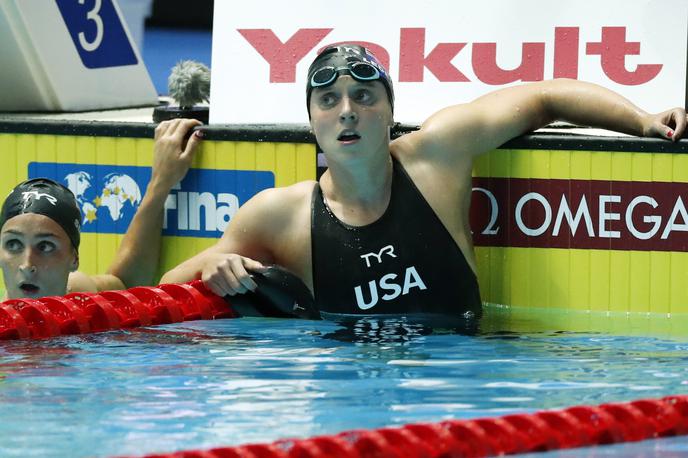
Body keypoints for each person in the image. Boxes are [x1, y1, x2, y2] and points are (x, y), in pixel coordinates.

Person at [160, 44, 687, 320]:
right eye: (329, 101)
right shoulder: (281, 215)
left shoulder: (436, 156)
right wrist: (209, 262)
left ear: (391, 112)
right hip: (344, 397)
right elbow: (163, 294)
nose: (348, 113)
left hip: (463, 383)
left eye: (364, 98)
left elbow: (546, 96)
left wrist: (643, 122)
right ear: (313, 122)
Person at [0, 119, 203, 299]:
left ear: (74, 259)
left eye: (45, 246)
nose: (27, 265)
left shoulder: (75, 292)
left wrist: (161, 181)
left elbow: (125, 282)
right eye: (14, 244)